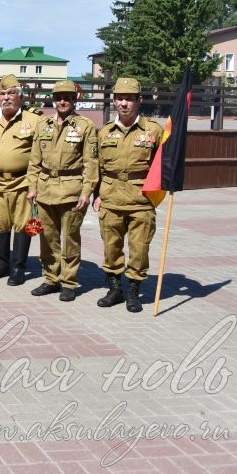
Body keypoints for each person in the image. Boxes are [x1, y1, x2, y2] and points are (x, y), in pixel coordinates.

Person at [93, 77, 163, 313]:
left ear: (139, 101)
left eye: (129, 99)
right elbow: (97, 167)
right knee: (111, 247)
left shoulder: (153, 130)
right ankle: (115, 289)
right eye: (120, 98)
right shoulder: (104, 132)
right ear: (114, 101)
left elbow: (164, 164)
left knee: (139, 248)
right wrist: (97, 194)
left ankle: (134, 291)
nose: (124, 103)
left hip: (141, 199)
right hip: (111, 197)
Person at [25, 80, 98, 302]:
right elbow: (34, 160)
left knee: (70, 239)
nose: (62, 101)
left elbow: (91, 163)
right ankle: (50, 279)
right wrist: (32, 187)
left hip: (72, 190)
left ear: (75, 99)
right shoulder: (42, 125)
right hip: (45, 189)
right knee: (48, 239)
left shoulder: (85, 126)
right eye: (58, 97)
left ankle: (69, 282)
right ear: (53, 100)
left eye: (67, 97)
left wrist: (87, 191)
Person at [0, 74, 43, 285]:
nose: (6, 97)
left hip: (22, 182)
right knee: (0, 223)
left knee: (22, 225)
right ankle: (1, 265)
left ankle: (18, 268)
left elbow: (41, 153)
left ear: (20, 96)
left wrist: (36, 183)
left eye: (11, 93)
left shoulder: (34, 119)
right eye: (2, 94)